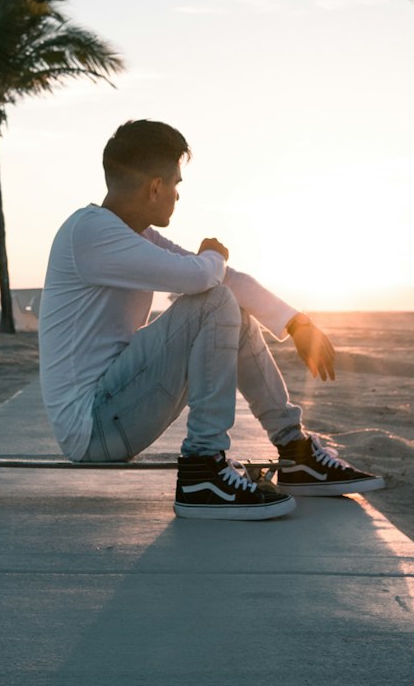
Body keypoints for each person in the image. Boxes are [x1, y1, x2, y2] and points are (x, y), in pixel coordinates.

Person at [38, 120, 384, 520]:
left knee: (225, 301)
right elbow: (202, 277)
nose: (177, 196)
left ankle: (295, 452)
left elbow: (221, 280)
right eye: (176, 185)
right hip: (93, 426)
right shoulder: (90, 233)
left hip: (115, 410)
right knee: (215, 299)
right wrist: (214, 255)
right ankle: (203, 469)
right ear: (155, 187)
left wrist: (296, 323)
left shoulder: (132, 236)